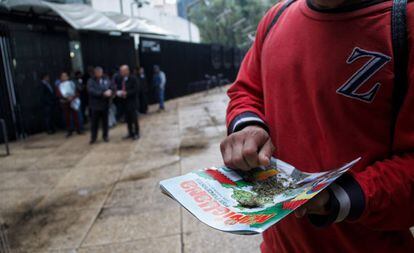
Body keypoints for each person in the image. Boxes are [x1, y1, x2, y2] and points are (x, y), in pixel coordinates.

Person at [220, 0, 414, 253]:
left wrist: (340, 197)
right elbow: (248, 89)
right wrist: (247, 126)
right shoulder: (276, 17)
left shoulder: (404, 23)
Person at [87, 66, 113, 144]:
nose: (99, 74)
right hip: (95, 105)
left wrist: (110, 91)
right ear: (95, 73)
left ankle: (105, 136)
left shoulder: (106, 79)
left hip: (105, 104)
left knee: (105, 122)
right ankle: (93, 137)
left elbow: (111, 86)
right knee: (94, 123)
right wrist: (102, 93)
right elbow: (91, 90)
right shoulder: (91, 81)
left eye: (100, 72)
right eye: (97, 72)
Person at [56, 72, 82, 137]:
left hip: (73, 102)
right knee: (67, 117)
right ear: (60, 78)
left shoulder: (72, 83)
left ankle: (78, 129)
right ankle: (69, 130)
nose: (64, 77)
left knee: (76, 116)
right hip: (65, 103)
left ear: (68, 77)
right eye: (62, 76)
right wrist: (66, 98)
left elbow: (76, 92)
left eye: (65, 76)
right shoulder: (59, 85)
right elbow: (58, 94)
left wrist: (72, 97)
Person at [118, 65, 140, 140]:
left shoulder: (133, 78)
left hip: (132, 102)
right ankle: (130, 133)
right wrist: (119, 92)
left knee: (134, 119)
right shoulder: (122, 79)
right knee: (128, 119)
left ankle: (136, 133)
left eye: (122, 71)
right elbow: (121, 88)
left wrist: (127, 93)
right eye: (120, 71)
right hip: (125, 102)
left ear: (127, 71)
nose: (121, 73)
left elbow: (136, 89)